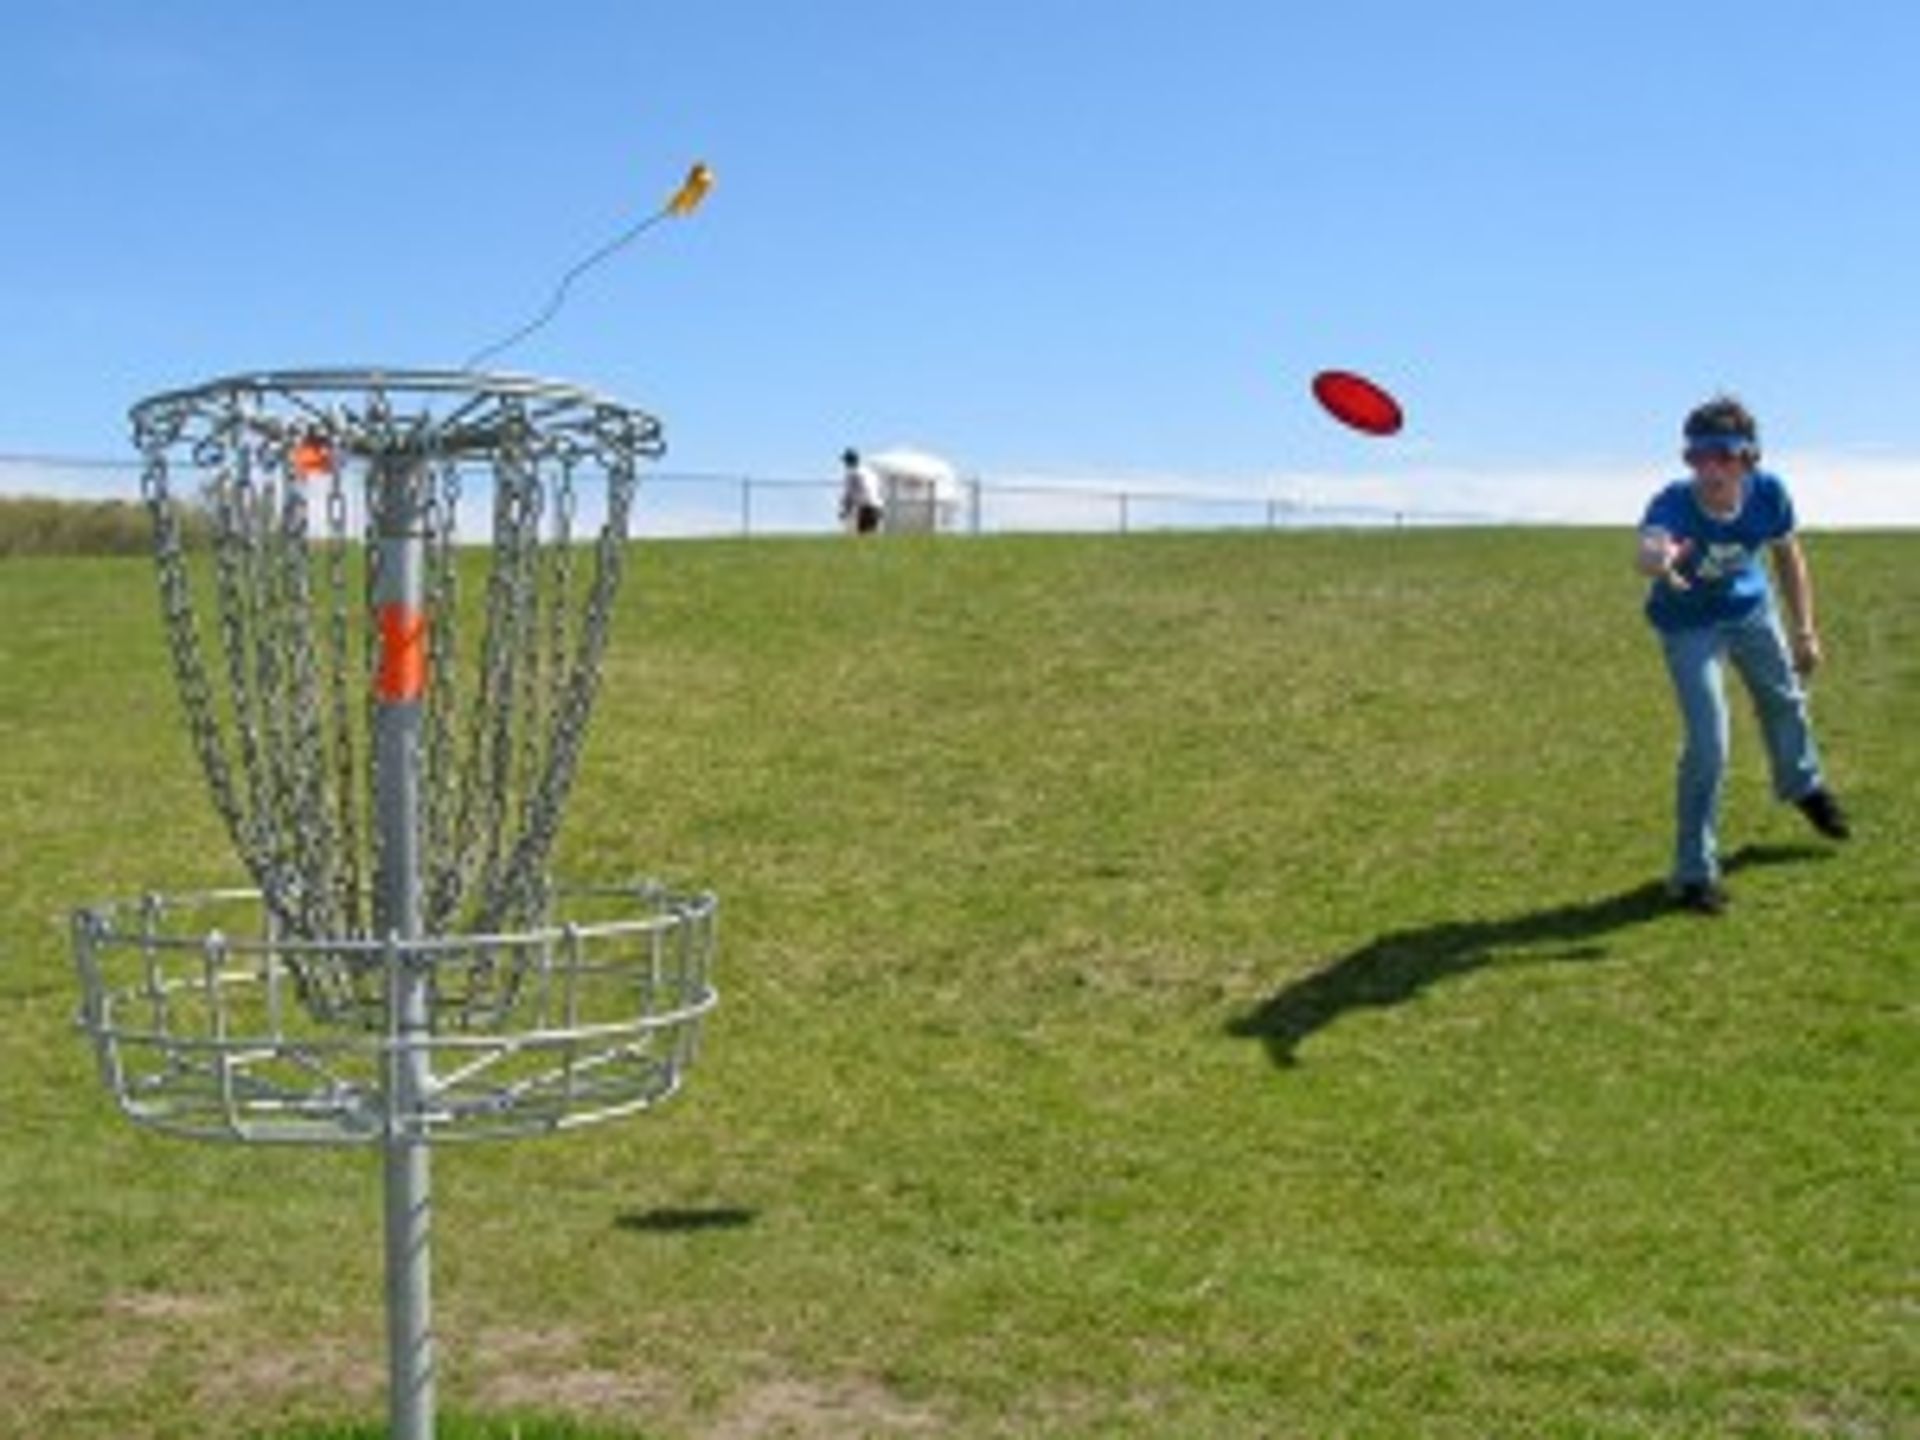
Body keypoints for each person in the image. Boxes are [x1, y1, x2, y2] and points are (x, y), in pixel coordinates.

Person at [1635, 395, 1850, 914]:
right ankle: (1692, 874)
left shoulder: (1769, 494)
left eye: (1722, 455)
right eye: (1696, 457)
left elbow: (1787, 556)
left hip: (1751, 612)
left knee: (1784, 700)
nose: (1709, 468)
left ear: (1749, 457)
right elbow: (1648, 549)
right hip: (1688, 626)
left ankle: (1803, 785)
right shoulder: (1674, 503)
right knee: (1710, 742)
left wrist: (1804, 630)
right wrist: (1658, 558)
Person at [839, 447, 885, 535]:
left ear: (849, 461)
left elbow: (848, 495)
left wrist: (845, 511)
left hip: (866, 508)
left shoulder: (852, 473)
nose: (845, 464)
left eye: (846, 461)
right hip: (878, 506)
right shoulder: (869, 472)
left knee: (864, 538)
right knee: (872, 536)